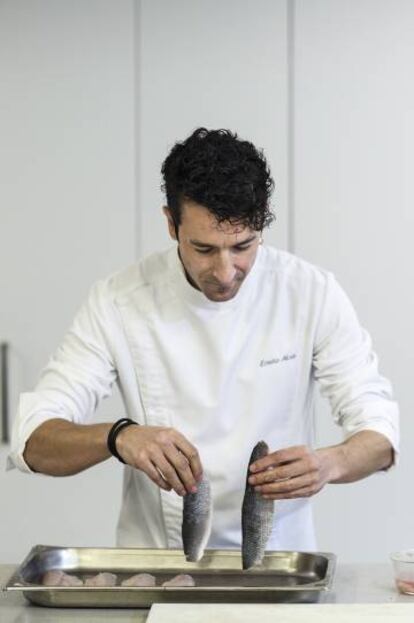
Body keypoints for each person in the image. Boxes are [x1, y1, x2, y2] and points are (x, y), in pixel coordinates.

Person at [8, 128, 399, 551]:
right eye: (204, 249)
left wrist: (330, 463)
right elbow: (33, 441)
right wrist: (118, 437)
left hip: (280, 566)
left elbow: (379, 433)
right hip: (157, 571)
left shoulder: (310, 293)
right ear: (171, 224)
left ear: (263, 223)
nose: (226, 271)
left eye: (243, 246)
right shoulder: (120, 301)